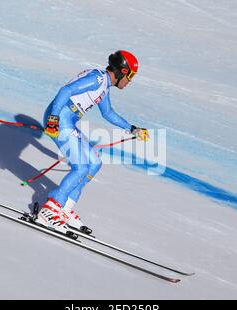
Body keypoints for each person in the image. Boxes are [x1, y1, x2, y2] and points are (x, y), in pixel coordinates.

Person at [30, 50, 149, 235]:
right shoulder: (97, 79)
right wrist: (53, 118)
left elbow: (107, 113)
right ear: (122, 72)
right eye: (131, 76)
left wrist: (132, 128)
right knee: (81, 167)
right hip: (60, 119)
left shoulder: (104, 85)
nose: (130, 82)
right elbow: (66, 91)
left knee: (94, 163)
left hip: (67, 120)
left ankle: (64, 208)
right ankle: (50, 210)